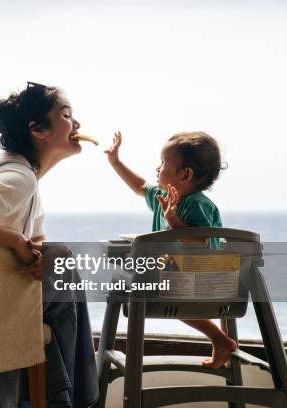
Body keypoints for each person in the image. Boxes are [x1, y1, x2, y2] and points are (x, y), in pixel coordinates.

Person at [0, 82, 99, 407]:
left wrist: (41, 253)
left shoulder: (24, 179)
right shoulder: (19, 177)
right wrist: (15, 241)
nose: (77, 124)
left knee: (60, 264)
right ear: (38, 130)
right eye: (66, 115)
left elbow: (36, 243)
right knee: (67, 273)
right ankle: (78, 399)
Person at [105, 130, 237, 368]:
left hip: (202, 281)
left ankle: (219, 339)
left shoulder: (198, 205)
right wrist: (116, 162)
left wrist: (174, 222)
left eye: (163, 162)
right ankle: (220, 340)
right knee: (133, 279)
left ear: (185, 174)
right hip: (179, 280)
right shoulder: (163, 197)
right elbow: (140, 186)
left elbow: (202, 243)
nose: (157, 168)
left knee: (133, 284)